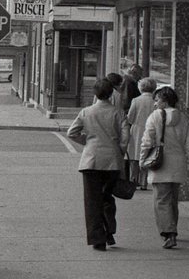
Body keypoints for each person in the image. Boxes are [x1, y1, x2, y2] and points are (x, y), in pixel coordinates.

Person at [66, 77, 128, 251]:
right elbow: (125, 138)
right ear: (111, 94)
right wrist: (119, 151)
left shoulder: (86, 112)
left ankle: (97, 238)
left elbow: (72, 132)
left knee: (92, 201)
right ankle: (109, 230)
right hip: (112, 161)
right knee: (107, 197)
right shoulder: (118, 112)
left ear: (95, 93)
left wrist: (87, 141)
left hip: (91, 160)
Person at [140, 85, 189, 249]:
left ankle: (169, 233)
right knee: (172, 200)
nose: (155, 104)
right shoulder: (184, 119)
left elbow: (147, 141)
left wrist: (142, 160)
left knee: (161, 200)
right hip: (178, 164)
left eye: (157, 100)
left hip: (161, 163)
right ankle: (173, 228)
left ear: (165, 101)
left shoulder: (155, 117)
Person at [125, 76, 158, 189]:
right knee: (146, 156)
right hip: (150, 131)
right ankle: (144, 182)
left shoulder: (136, 100)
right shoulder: (155, 102)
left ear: (141, 88)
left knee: (134, 158)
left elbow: (130, 118)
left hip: (136, 130)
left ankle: (133, 180)